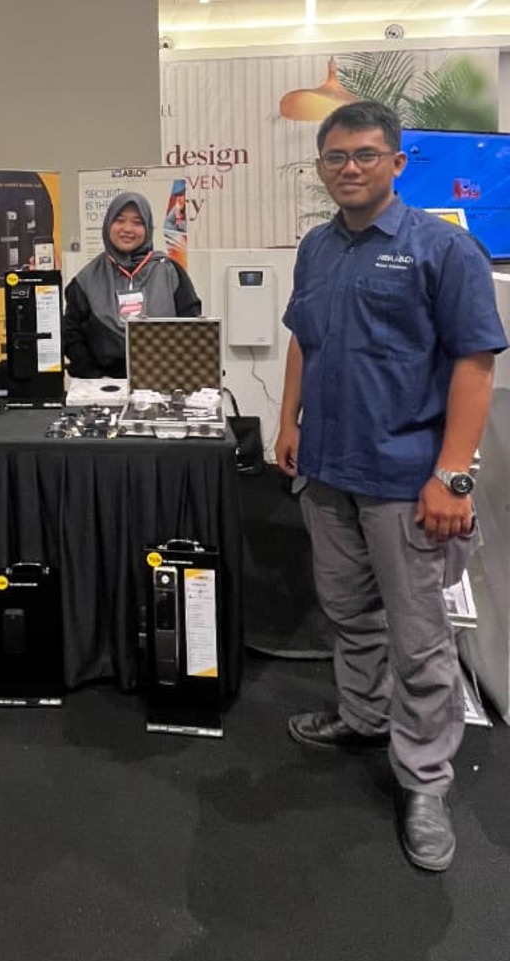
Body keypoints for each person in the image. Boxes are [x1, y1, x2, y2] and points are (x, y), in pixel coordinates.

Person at [275, 100, 508, 871]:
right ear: (321, 167)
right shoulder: (317, 248)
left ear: (397, 163)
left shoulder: (444, 250)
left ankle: (425, 779)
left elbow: (475, 363)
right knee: (349, 613)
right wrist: (288, 420)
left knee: (420, 637)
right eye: (336, 156)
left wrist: (453, 475)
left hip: (407, 480)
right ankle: (365, 716)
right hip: (327, 470)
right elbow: (303, 341)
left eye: (366, 154)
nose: (350, 167)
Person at [63, 192, 201, 379]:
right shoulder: (87, 278)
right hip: (105, 384)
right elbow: (71, 332)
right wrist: (92, 374)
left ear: (148, 228)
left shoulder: (169, 271)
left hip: (164, 380)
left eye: (137, 222)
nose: (127, 229)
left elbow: (193, 327)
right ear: (108, 224)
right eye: (119, 220)